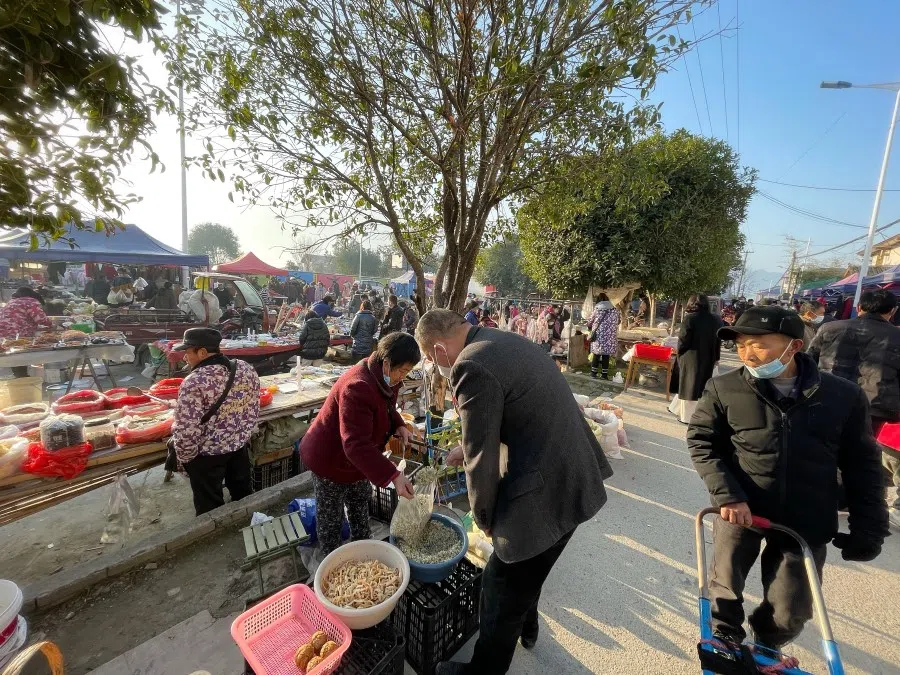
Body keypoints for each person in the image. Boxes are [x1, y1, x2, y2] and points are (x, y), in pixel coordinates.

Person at [415, 310, 613, 675]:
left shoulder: (470, 364)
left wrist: (484, 516)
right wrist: (464, 448)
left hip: (545, 489)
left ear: (439, 348)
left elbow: (481, 458)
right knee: (531, 565)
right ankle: (529, 626)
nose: (435, 366)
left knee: (501, 585)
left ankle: (483, 671)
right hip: (573, 474)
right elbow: (506, 416)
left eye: (430, 358)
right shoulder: (501, 340)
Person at [687, 305, 888, 650]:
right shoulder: (724, 388)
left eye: (759, 344)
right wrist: (728, 495)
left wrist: (869, 527)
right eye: (740, 345)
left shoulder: (843, 396)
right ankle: (725, 638)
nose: (748, 355)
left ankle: (767, 646)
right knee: (725, 588)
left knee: (791, 609)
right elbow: (702, 442)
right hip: (742, 510)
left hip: (805, 517)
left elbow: (863, 464)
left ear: (794, 346)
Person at [301, 333, 417, 553]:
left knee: (360, 502)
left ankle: (363, 549)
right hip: (330, 457)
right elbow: (355, 444)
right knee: (331, 519)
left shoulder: (382, 376)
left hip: (357, 459)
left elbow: (386, 407)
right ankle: (332, 560)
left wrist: (399, 424)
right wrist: (394, 475)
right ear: (386, 363)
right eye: (402, 370)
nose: (403, 377)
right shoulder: (358, 386)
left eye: (407, 371)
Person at [808, 289, 900, 525]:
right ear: (892, 311)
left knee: (825, 446)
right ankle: (846, 497)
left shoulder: (830, 328)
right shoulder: (897, 337)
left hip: (827, 398)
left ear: (859, 307)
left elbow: (808, 362)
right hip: (875, 406)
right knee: (861, 451)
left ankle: (822, 494)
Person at [170, 328, 260, 516]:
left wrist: (187, 460)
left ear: (202, 352)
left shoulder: (193, 381)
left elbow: (186, 430)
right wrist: (242, 435)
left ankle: (216, 531)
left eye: (187, 352)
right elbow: (253, 406)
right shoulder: (245, 368)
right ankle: (248, 523)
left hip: (207, 456)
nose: (185, 357)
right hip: (239, 448)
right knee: (244, 496)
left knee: (209, 508)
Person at [669, 294, 722, 424]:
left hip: (690, 356)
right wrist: (716, 357)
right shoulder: (716, 319)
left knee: (689, 386)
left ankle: (686, 417)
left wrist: (679, 352)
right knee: (698, 385)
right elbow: (718, 340)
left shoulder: (690, 318)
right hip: (709, 356)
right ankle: (675, 408)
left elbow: (683, 339)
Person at [587, 293, 619, 379]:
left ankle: (593, 373)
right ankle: (604, 375)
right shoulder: (614, 310)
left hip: (598, 335)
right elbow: (617, 322)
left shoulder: (597, 309)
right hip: (610, 336)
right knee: (606, 355)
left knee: (596, 354)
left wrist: (590, 326)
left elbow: (590, 321)